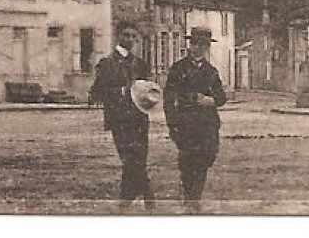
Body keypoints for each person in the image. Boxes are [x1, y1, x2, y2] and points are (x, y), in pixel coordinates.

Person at [91, 23, 155, 209]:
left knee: (138, 158)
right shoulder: (107, 64)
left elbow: (149, 90)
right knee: (130, 158)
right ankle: (147, 193)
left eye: (133, 36)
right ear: (118, 36)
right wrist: (122, 91)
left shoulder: (141, 64)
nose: (129, 40)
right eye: (126, 35)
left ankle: (126, 199)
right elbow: (96, 92)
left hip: (140, 118)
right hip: (119, 120)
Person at [165, 27, 227, 210]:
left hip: (207, 125)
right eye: (194, 43)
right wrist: (172, 123)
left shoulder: (212, 71)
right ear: (190, 45)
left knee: (204, 161)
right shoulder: (178, 69)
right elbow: (168, 99)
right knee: (187, 162)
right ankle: (189, 199)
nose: (197, 48)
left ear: (207, 47)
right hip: (186, 123)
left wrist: (211, 101)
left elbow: (221, 98)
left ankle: (195, 198)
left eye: (202, 44)